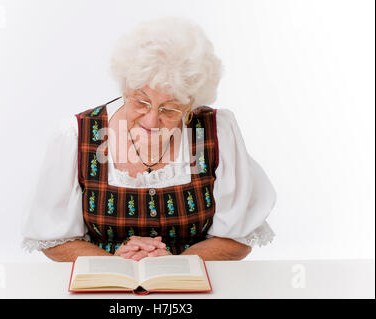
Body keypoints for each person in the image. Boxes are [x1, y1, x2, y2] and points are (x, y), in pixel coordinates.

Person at [21, 16, 277, 262]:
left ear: (192, 103)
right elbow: (54, 240)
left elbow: (237, 240)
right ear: (124, 86)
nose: (152, 120)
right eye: (141, 101)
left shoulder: (218, 131)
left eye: (170, 108)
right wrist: (114, 262)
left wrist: (175, 264)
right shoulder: (76, 134)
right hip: (105, 288)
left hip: (195, 288)